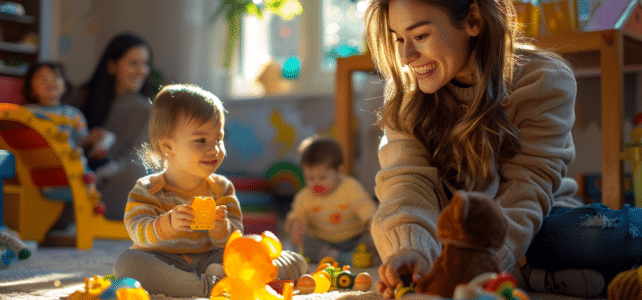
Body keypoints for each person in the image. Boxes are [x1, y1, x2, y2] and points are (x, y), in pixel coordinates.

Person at [364, 0, 642, 298]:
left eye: (420, 37)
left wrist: (482, 264)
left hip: (534, 223)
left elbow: (528, 188)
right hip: (451, 237)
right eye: (399, 39)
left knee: (598, 240)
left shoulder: (543, 78)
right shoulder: (406, 96)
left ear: (472, 20)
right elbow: (406, 182)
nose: (406, 57)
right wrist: (411, 247)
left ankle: (526, 271)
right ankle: (534, 275)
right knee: (436, 245)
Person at [112, 84, 307, 297]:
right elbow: (138, 231)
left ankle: (227, 276)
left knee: (292, 260)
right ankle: (212, 286)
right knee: (127, 265)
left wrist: (221, 229)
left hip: (213, 258)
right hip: (164, 261)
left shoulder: (221, 188)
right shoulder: (148, 189)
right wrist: (167, 224)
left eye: (218, 139)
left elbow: (235, 240)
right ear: (168, 147)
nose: (214, 149)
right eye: (201, 140)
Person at [65, 32, 156, 220]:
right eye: (134, 63)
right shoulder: (80, 98)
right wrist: (85, 142)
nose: (142, 71)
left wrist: (107, 168)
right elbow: (64, 143)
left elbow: (136, 158)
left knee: (138, 172)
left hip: (114, 180)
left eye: (145, 64)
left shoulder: (145, 109)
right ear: (111, 65)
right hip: (78, 176)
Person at [285, 136, 379, 265]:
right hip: (323, 243)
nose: (316, 183)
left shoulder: (350, 186)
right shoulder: (305, 196)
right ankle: (339, 258)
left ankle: (360, 254)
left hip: (354, 241)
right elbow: (297, 214)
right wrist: (295, 224)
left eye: (323, 178)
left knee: (374, 235)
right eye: (310, 178)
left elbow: (365, 206)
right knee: (301, 241)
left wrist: (370, 221)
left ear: (339, 171)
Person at [21, 62, 115, 178]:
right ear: (31, 90)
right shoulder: (27, 112)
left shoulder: (73, 114)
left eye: (56, 78)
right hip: (39, 159)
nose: (50, 82)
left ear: (65, 86)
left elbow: (80, 141)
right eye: (43, 79)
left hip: (70, 159)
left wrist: (92, 139)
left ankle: (94, 174)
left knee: (104, 142)